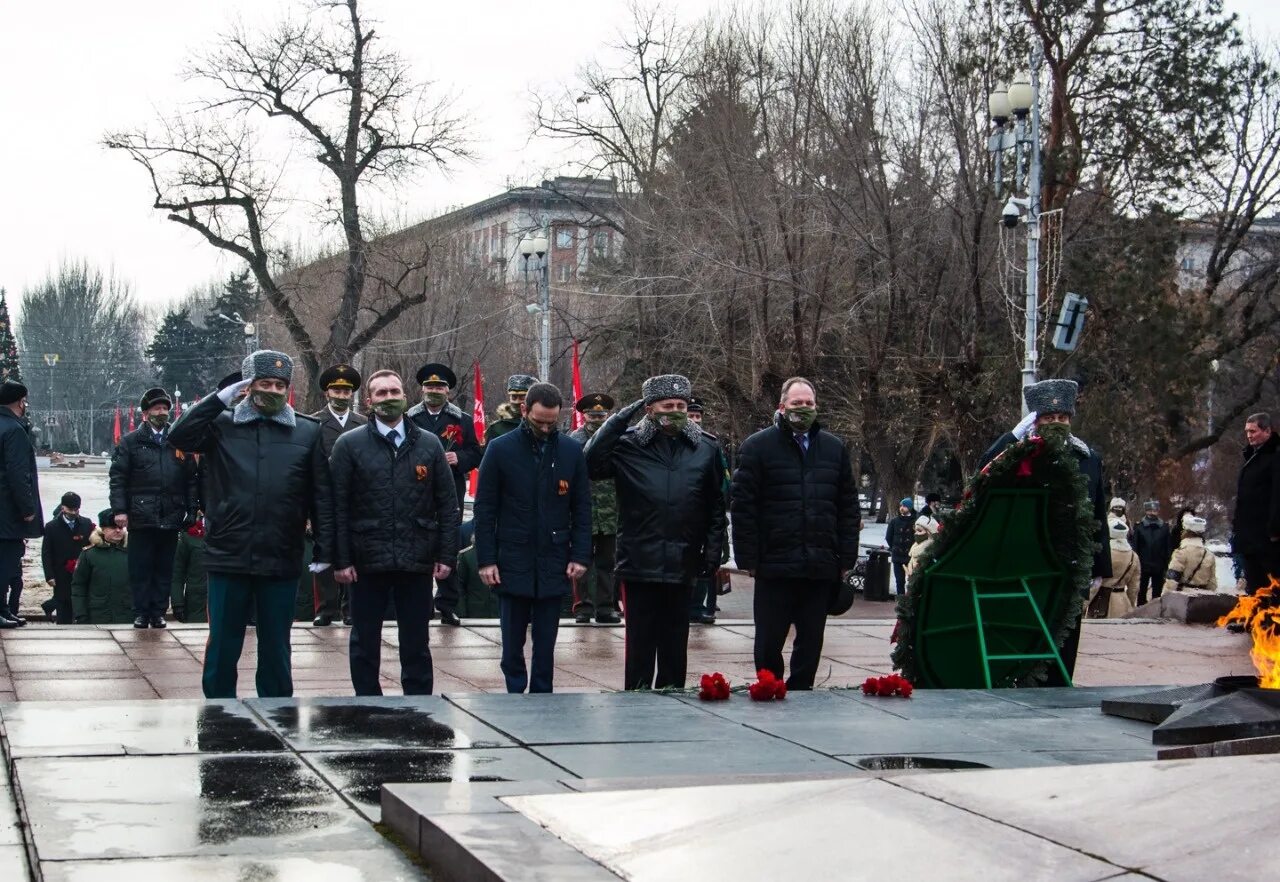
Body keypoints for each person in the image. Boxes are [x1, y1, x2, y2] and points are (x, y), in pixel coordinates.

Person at [168, 350, 334, 698]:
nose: (272, 390)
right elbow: (179, 436)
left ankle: (277, 710)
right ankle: (218, 709)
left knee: (276, 643)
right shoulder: (221, 425)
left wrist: (325, 547)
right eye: (264, 383)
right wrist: (218, 400)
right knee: (224, 643)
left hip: (281, 552)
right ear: (247, 386)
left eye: (279, 385)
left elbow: (320, 495)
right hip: (229, 551)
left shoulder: (307, 431)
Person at [584, 374, 726, 690]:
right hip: (639, 559)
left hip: (684, 557)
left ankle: (672, 695)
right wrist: (619, 419)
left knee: (676, 640)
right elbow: (590, 462)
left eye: (681, 405)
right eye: (667, 405)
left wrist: (713, 551)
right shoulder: (628, 444)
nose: (675, 411)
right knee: (641, 641)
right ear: (649, 408)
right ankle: (636, 697)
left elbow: (716, 504)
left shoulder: (705, 446)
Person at [331, 369, 459, 696]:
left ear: (405, 396)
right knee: (364, 641)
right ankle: (367, 704)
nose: (389, 397)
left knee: (416, 641)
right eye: (381, 393)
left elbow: (447, 505)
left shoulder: (429, 445)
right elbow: (338, 507)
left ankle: (419, 704)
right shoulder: (349, 444)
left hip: (415, 558)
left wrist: (446, 556)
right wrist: (341, 560)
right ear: (370, 400)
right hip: (366, 560)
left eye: (394, 391)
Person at [731, 377, 860, 690]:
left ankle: (803, 691)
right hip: (774, 563)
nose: (803, 409)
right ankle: (769, 686)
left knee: (812, 637)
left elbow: (847, 506)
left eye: (808, 404)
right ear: (782, 407)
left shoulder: (833, 448)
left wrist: (846, 557)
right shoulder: (757, 446)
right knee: (769, 638)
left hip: (819, 563)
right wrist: (749, 558)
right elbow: (743, 508)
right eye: (796, 404)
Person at [978, 378, 1110, 684]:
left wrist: (1099, 565)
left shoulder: (1088, 459)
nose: (1057, 424)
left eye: (1062, 418)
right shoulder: (1023, 453)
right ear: (1035, 422)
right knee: (1027, 629)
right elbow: (985, 469)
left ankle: (1059, 685)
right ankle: (1021, 680)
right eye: (1049, 419)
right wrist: (1012, 438)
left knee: (1066, 629)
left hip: (1072, 561)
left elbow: (1097, 511)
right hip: (1030, 558)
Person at [475, 383, 591, 693]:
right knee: (512, 640)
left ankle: (543, 693)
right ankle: (515, 689)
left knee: (546, 640)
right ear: (524, 410)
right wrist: (486, 559)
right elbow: (485, 509)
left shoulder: (570, 451)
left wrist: (580, 555)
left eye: (551, 422)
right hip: (512, 556)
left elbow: (581, 508)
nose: (544, 427)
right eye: (538, 420)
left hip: (553, 557)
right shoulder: (500, 448)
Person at [109, 387, 197, 628]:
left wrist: (192, 508)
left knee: (164, 566)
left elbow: (191, 479)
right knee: (140, 566)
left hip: (171, 513)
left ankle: (158, 611)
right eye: (157, 408)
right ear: (145, 413)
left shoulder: (178, 441)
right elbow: (118, 478)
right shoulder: (131, 442)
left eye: (165, 409)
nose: (162, 412)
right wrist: (119, 510)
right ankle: (141, 611)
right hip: (141, 515)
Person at [407, 362, 481, 626]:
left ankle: (447, 604)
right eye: (429, 386)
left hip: (451, 488)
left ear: (448, 390)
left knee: (449, 542)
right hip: (417, 489)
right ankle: (422, 604)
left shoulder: (461, 419)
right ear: (422, 389)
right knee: (419, 544)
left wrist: (458, 458)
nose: (434, 390)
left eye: (439, 386)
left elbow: (475, 452)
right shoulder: (410, 418)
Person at [309, 363, 368, 626]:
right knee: (325, 550)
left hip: (357, 498)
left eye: (346, 391)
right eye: (337, 390)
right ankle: (326, 608)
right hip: (325, 496)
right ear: (327, 393)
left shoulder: (364, 423)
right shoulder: (313, 423)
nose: (342, 396)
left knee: (355, 551)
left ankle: (351, 607)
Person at [568, 393, 621, 625]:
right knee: (581, 561)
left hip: (610, 510)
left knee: (607, 562)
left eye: (601, 415)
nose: (597, 419)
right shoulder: (574, 440)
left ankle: (606, 607)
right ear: (584, 415)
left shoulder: (616, 440)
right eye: (592, 415)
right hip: (584, 509)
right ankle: (583, 607)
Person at [685, 397, 732, 625]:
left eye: (697, 416)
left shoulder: (710, 445)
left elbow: (723, 480)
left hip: (707, 513)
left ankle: (699, 606)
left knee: (706, 561)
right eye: (691, 415)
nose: (695, 420)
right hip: (685, 513)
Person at [0, 380, 42, 630]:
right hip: (7, 510)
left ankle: (4, 609)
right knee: (6, 562)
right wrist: (27, 509)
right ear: (19, 402)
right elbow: (18, 474)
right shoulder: (14, 430)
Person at [1232, 412, 1279, 595]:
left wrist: (1275, 529)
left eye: (1253, 431)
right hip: (1249, 535)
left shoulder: (1275, 456)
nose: (1249, 435)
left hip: (1267, 536)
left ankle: (1270, 620)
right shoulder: (1252, 455)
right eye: (1247, 431)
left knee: (1270, 584)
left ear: (1267, 431)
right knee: (1254, 583)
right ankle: (1255, 619)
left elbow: (1277, 495)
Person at [70, 509, 133, 623]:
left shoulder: (133, 553)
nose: (118, 530)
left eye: (121, 528)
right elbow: (79, 585)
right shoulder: (89, 554)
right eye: (113, 528)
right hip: (98, 615)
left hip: (128, 614)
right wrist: (80, 614)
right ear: (103, 529)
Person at [41, 492, 94, 624]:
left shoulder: (86, 523)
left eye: (76, 510)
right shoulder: (51, 527)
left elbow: (91, 547)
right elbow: (46, 553)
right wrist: (49, 575)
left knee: (80, 604)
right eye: (70, 510)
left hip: (81, 572)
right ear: (62, 508)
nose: (73, 513)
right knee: (63, 605)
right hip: (60, 573)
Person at [1088, 520, 1140, 618]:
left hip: (1101, 602)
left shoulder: (1103, 553)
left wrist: (1083, 605)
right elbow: (1134, 587)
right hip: (1123, 603)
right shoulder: (1134, 556)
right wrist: (1131, 604)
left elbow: (1095, 584)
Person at [1164, 513, 1218, 593]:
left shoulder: (1181, 552)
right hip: (1203, 597)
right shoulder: (1209, 555)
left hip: (1185, 597)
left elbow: (1171, 581)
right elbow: (1212, 583)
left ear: (1186, 532)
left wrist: (1165, 597)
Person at [1132, 499, 1172, 606]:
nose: (1152, 513)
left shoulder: (1164, 527)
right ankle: (1140, 609)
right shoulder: (1139, 526)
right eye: (1150, 510)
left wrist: (1168, 564)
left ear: (1158, 511)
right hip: (1143, 564)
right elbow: (1135, 546)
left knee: (1157, 592)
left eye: (1155, 510)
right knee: (1141, 590)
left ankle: (1155, 611)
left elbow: (1168, 547)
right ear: (1146, 511)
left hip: (1159, 565)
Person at [171, 514, 208, 623]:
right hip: (197, 604)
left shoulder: (229, 534)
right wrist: (177, 603)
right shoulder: (188, 537)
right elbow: (177, 573)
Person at [884, 498, 917, 596]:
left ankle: (911, 600)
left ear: (910, 508)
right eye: (901, 506)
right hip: (897, 556)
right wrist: (894, 547)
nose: (902, 508)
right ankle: (900, 600)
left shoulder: (915, 521)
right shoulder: (894, 521)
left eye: (905, 506)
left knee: (912, 581)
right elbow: (888, 537)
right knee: (899, 580)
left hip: (911, 556)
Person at [904, 515, 940, 582]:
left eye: (920, 531)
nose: (916, 533)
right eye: (916, 531)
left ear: (929, 533)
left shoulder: (929, 548)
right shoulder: (916, 545)